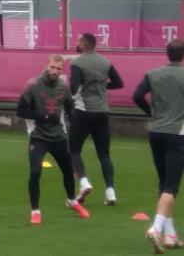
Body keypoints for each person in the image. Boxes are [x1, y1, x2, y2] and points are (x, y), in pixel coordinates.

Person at [18, 53, 88, 224]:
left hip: (59, 136)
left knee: (68, 171)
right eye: (52, 67)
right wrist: (42, 117)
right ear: (46, 65)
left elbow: (71, 110)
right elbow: (20, 110)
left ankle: (71, 200)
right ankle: (35, 211)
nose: (55, 71)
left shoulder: (63, 87)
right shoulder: (33, 85)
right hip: (38, 137)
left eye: (59, 69)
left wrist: (76, 127)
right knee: (35, 172)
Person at [133, 39, 184, 252]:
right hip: (177, 133)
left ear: (167, 53)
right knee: (172, 186)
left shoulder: (153, 74)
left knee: (164, 183)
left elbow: (137, 96)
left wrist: (151, 113)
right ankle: (156, 228)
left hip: (155, 131)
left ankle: (170, 235)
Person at [69, 32, 123, 206]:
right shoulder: (105, 62)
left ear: (83, 44)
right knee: (104, 154)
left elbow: (73, 86)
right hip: (102, 112)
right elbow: (119, 83)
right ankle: (111, 192)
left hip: (84, 111)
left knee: (73, 150)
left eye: (78, 41)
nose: (77, 44)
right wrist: (101, 85)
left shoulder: (77, 62)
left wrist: (76, 93)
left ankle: (84, 182)